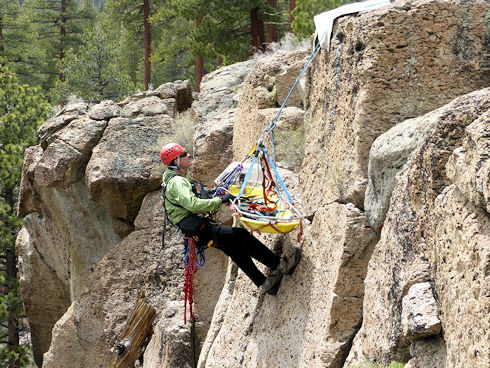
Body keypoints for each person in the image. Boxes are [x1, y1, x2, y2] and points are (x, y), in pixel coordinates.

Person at [160, 142, 300, 295]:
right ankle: (280, 265)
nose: (188, 156)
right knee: (242, 237)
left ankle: (267, 285)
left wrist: (216, 195)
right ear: (175, 161)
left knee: (236, 251)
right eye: (183, 155)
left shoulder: (171, 180)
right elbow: (193, 204)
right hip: (202, 229)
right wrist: (219, 201)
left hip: (198, 231)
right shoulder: (177, 182)